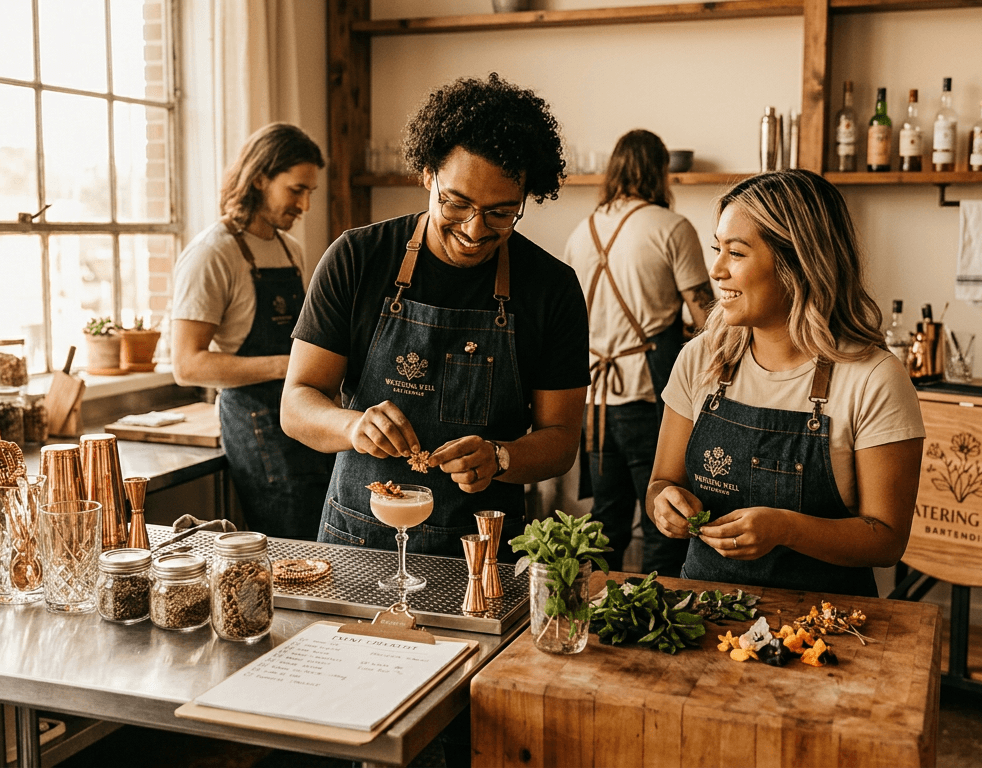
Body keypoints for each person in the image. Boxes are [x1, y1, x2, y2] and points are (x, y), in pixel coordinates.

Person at [281, 73, 588, 559]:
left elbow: (562, 438)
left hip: (483, 549)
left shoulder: (552, 288)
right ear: (427, 174)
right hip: (362, 537)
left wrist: (502, 456)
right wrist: (352, 427)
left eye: (501, 213)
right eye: (456, 202)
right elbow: (296, 403)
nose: (474, 229)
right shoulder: (357, 259)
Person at [646, 169, 924, 597]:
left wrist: (786, 529)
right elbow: (661, 483)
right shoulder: (700, 359)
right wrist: (664, 505)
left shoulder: (874, 378)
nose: (716, 269)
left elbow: (887, 540)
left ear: (798, 262)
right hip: (703, 612)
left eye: (736, 253)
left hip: (825, 629)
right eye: (717, 249)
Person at [560, 129, 712, 577]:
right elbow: (709, 318)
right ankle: (659, 616)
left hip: (595, 398)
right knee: (664, 518)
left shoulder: (580, 233)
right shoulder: (671, 228)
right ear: (660, 171)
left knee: (606, 518)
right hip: (652, 392)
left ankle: (595, 612)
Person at [170, 123, 333, 540]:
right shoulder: (212, 253)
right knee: (290, 547)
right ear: (260, 178)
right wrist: (288, 365)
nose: (305, 204)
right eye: (296, 190)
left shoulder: (289, 249)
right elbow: (187, 365)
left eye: (310, 192)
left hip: (305, 418)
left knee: (325, 546)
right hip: (257, 427)